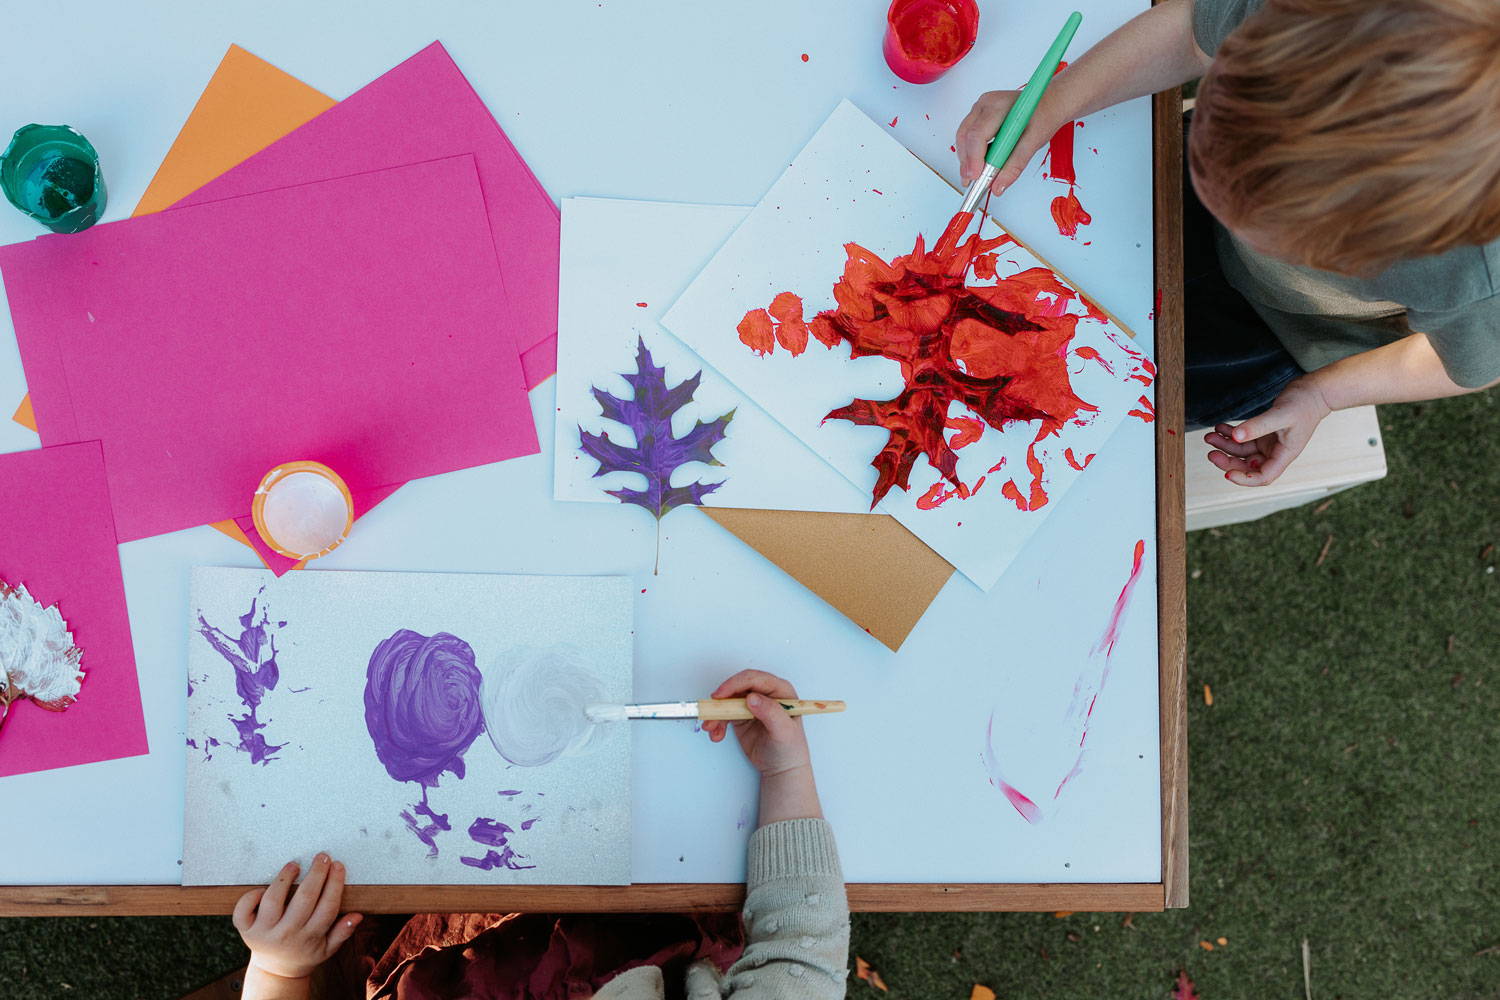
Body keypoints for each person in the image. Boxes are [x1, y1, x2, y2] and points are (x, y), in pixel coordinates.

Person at [956, 0, 1500, 487]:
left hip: (1279, 330)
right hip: (1179, 197)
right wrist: (1053, 102)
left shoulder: (1476, 274)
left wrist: (1326, 393)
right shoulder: (1319, 16)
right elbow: (1195, 29)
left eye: (1268, 228)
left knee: (1086, 406)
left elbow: (1467, 365)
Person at [232, 669, 850, 999]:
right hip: (638, 926)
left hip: (449, 952)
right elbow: (801, 951)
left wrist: (278, 972)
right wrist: (786, 767)